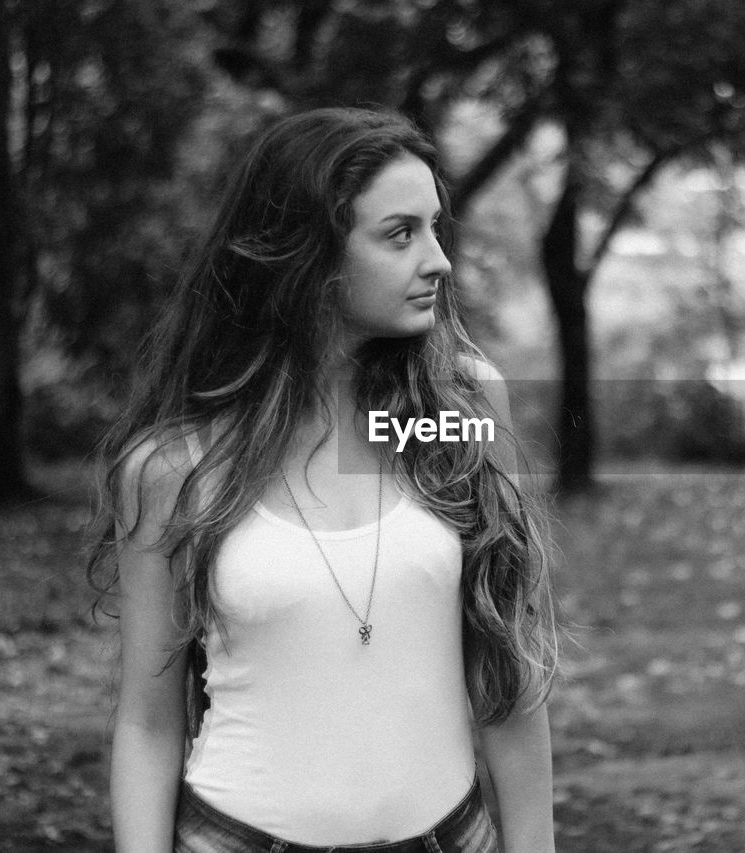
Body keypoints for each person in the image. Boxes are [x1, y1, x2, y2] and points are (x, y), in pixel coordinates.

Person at [87, 107, 559, 853]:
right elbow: (148, 723)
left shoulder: (457, 414)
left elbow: (509, 680)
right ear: (310, 257)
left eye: (436, 227)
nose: (437, 259)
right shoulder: (176, 470)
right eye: (401, 234)